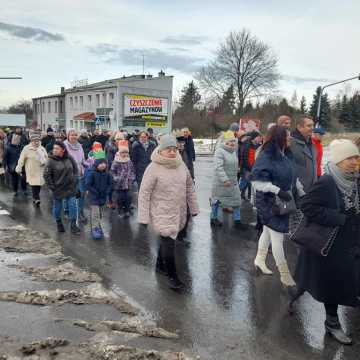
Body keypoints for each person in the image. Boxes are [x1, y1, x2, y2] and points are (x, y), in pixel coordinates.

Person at [294, 139, 360, 345]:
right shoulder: (327, 182)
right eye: (350, 158)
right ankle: (332, 323)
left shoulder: (355, 179)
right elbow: (307, 206)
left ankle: (298, 290)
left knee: (350, 277)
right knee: (332, 284)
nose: (354, 162)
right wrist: (338, 217)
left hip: (352, 240)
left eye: (356, 157)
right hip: (331, 244)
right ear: (339, 160)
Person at [138, 134, 199, 290]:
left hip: (178, 211)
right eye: (168, 149)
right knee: (169, 243)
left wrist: (193, 208)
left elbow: (189, 188)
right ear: (161, 149)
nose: (172, 152)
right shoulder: (153, 168)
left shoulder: (181, 165)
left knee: (168, 239)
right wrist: (143, 218)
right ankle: (173, 278)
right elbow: (144, 193)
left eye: (174, 149)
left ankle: (159, 265)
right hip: (161, 211)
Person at [252, 125, 304, 289]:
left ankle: (259, 260)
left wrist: (301, 191)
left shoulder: (283, 154)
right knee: (277, 236)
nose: (290, 139)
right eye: (287, 136)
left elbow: (292, 176)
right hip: (269, 203)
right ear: (279, 137)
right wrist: (278, 191)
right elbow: (257, 182)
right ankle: (285, 275)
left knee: (268, 231)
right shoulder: (265, 156)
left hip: (281, 202)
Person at [44, 141, 81, 234]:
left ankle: (73, 225)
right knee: (57, 207)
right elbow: (46, 176)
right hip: (58, 188)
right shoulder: (50, 160)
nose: (54, 150)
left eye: (57, 148)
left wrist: (75, 181)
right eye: (54, 148)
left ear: (63, 150)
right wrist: (52, 188)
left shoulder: (69, 158)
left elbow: (76, 169)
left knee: (72, 205)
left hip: (70, 186)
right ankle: (58, 222)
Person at [210, 131, 243, 227]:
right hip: (221, 182)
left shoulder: (232, 151)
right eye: (230, 141)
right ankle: (213, 218)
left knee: (236, 200)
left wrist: (237, 169)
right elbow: (218, 167)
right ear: (225, 141)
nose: (232, 143)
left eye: (233, 141)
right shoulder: (219, 151)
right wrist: (225, 179)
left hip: (232, 181)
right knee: (216, 201)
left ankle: (237, 221)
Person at [15, 133, 48, 206]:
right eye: (34, 141)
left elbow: (46, 158)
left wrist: (45, 162)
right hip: (31, 170)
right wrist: (19, 168)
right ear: (31, 141)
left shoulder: (42, 148)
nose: (36, 142)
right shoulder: (26, 148)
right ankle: (36, 198)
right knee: (34, 184)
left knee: (39, 185)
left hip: (40, 170)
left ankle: (35, 197)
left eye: (37, 140)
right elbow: (21, 159)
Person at [85, 156, 112, 239]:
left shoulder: (107, 174)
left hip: (103, 196)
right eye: (101, 163)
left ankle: (97, 224)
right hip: (94, 196)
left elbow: (110, 184)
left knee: (99, 212)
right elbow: (88, 184)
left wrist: (107, 191)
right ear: (96, 164)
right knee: (95, 212)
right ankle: (95, 229)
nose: (103, 165)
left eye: (104, 163)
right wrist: (94, 191)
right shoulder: (92, 173)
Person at [64, 129, 87, 223]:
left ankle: (80, 212)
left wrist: (88, 164)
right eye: (72, 135)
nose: (74, 136)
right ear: (68, 136)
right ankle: (67, 211)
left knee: (81, 194)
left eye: (75, 135)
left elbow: (83, 159)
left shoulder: (79, 146)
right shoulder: (64, 146)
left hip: (80, 173)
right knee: (69, 194)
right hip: (68, 174)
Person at [289, 115, 317, 192]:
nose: (312, 128)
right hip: (297, 192)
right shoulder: (290, 144)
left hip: (312, 191)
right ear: (299, 127)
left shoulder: (312, 144)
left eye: (313, 125)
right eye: (309, 126)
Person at [110, 141, 136, 217]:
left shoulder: (129, 161)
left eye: (126, 153)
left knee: (128, 197)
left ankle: (127, 209)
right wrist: (116, 178)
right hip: (119, 184)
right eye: (122, 152)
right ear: (119, 153)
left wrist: (132, 177)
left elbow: (132, 170)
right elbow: (112, 171)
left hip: (128, 183)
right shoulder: (116, 161)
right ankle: (120, 210)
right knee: (120, 198)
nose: (124, 154)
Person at [238, 131, 262, 201]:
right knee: (243, 183)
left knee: (247, 184)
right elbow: (245, 158)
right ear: (254, 138)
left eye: (260, 137)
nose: (260, 138)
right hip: (247, 168)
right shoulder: (247, 145)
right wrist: (249, 168)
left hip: (253, 168)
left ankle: (242, 195)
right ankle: (233, 196)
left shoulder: (257, 145)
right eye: (259, 137)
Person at [5, 127, 29, 197]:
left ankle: (24, 189)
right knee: (14, 179)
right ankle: (15, 190)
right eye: (15, 139)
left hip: (22, 165)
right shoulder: (8, 147)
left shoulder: (23, 147)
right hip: (12, 165)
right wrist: (6, 166)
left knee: (23, 178)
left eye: (18, 139)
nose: (16, 140)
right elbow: (5, 158)